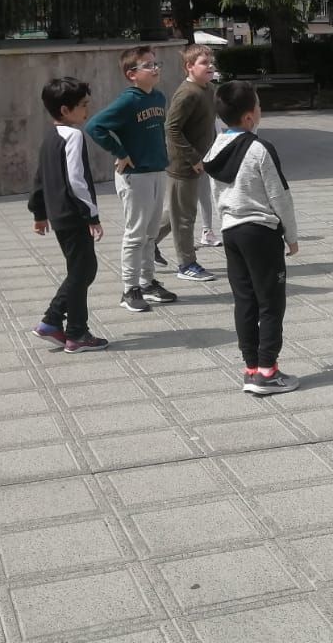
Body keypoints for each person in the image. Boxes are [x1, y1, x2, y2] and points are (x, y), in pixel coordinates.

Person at [204, 81, 301, 395]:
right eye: (258, 105)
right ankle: (268, 371)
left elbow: (215, 191)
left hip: (231, 230)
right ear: (248, 117)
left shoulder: (214, 148)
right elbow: (279, 195)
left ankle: (250, 367)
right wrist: (291, 235)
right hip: (260, 230)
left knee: (244, 300)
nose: (260, 110)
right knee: (271, 302)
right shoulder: (259, 148)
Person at [86, 45, 178, 313]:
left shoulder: (159, 98)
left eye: (155, 63)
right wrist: (120, 152)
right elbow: (95, 126)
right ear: (132, 74)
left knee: (151, 233)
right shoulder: (128, 101)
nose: (155, 68)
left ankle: (147, 282)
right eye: (148, 65)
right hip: (134, 176)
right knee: (136, 233)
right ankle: (130, 288)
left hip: (157, 170)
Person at [28, 77, 108, 354]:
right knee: (82, 270)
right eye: (83, 105)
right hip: (73, 215)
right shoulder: (73, 136)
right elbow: (77, 180)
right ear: (65, 110)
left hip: (60, 215)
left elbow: (39, 179)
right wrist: (91, 215)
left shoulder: (49, 138)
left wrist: (39, 213)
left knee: (82, 269)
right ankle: (75, 332)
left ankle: (54, 322)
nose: (88, 109)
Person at [164, 44, 219, 282]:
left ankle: (147, 245)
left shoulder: (208, 89)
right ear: (189, 66)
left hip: (201, 161)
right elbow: (171, 128)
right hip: (184, 165)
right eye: (204, 63)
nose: (211, 66)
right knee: (185, 217)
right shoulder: (187, 93)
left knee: (177, 212)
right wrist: (193, 158)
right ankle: (186, 264)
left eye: (211, 62)